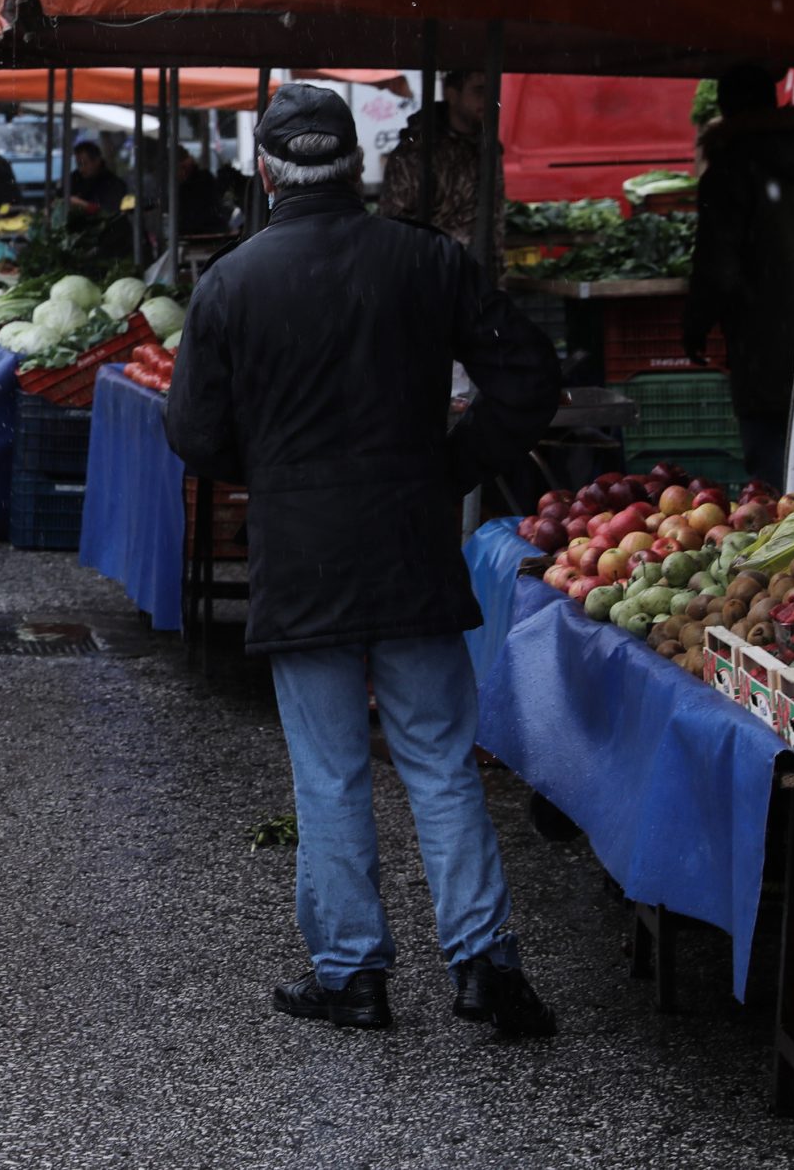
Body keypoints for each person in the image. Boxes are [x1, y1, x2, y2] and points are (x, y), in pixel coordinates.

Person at [164, 83, 561, 1040]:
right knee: (438, 763)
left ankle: (355, 979)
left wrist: (274, 469)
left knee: (330, 773)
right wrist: (455, 462)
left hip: (301, 564)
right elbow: (530, 376)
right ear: (360, 167)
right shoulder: (428, 262)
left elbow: (192, 431)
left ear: (263, 172)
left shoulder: (229, 284)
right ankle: (485, 969)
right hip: (411, 548)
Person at [686, 64, 794, 485]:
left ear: (726, 107)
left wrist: (696, 325)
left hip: (759, 327)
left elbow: (716, 264)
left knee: (768, 454)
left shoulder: (729, 168)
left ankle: (781, 535)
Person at [379, 70, 496, 250]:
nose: (488, 99)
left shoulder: (488, 149)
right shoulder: (416, 153)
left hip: (476, 271)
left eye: (492, 91)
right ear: (452, 95)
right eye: (479, 90)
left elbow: (495, 220)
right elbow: (395, 226)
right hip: (432, 270)